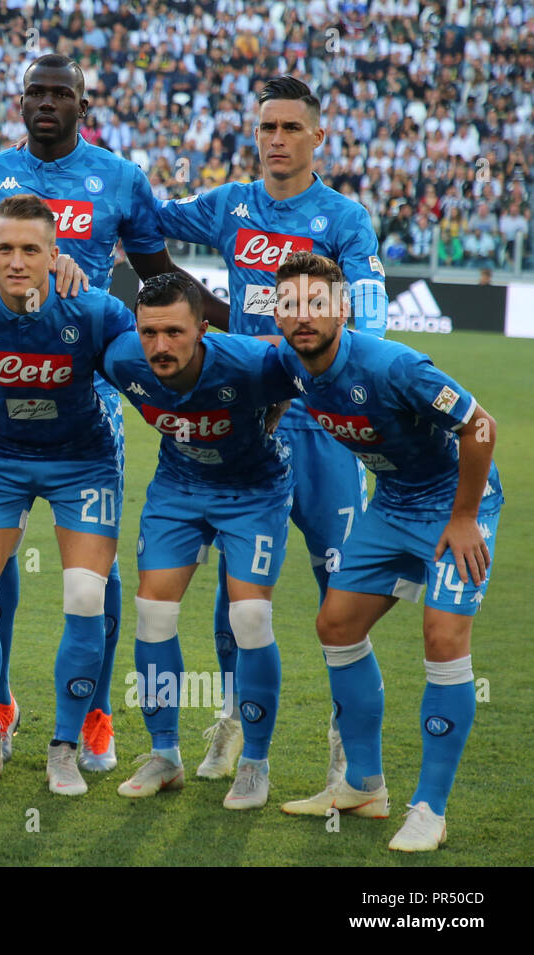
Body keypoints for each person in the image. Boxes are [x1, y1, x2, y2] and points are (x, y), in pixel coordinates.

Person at [0, 52, 227, 771]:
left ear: (84, 104)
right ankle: (0, 704)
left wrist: (227, 326)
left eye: (61, 94)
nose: (47, 104)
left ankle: (96, 715)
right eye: (36, 94)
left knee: (92, 582)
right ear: (20, 103)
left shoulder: (119, 177)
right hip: (5, 408)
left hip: (89, 395)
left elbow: (157, 273)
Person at [156, 75, 389, 783]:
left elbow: (370, 319)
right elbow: (146, 220)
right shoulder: (229, 206)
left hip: (323, 432)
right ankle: (232, 717)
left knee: (341, 591)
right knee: (239, 595)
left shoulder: (345, 220)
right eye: (267, 128)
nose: (277, 140)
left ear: (318, 136)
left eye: (291, 127)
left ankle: (347, 745)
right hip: (245, 431)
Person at [271, 252, 501, 851]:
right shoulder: (288, 365)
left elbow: (481, 426)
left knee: (443, 637)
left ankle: (429, 808)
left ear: (343, 309)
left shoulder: (392, 365)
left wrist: (465, 517)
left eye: (317, 303)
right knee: (336, 624)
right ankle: (363, 784)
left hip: (457, 508)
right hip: (394, 503)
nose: (303, 316)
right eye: (290, 304)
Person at [0, 194, 133, 795]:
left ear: (56, 254)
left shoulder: (97, 311)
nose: (17, 260)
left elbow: (154, 373)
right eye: (5, 248)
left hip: (83, 460)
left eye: (31, 249)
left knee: (85, 593)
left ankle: (69, 744)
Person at [102, 273, 299, 808]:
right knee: (153, 612)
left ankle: (255, 762)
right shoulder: (122, 359)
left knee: (251, 619)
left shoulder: (251, 361)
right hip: (180, 487)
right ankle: (165, 754)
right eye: (149, 332)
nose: (160, 346)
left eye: (174, 332)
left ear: (203, 329)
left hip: (254, 490)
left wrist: (270, 416)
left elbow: (309, 370)